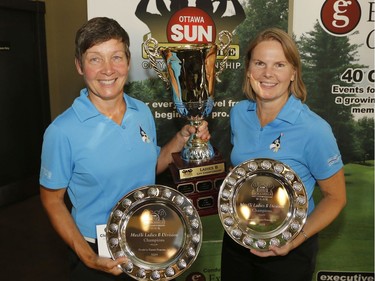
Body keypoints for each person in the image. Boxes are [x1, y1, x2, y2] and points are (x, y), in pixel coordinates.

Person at [39, 17, 210, 281]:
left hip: (150, 242)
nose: (108, 69)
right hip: (98, 253)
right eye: (95, 59)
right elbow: (52, 200)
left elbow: (151, 165)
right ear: (79, 66)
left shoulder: (141, 111)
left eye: (116, 57)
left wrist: (182, 137)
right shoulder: (61, 131)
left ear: (128, 63)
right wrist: (88, 257)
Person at [220, 27, 346, 281]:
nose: (268, 73)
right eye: (259, 63)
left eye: (279, 64)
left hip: (288, 250)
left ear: (293, 73)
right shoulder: (239, 114)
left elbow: (335, 198)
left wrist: (295, 240)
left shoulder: (314, 129)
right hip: (237, 241)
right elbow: (242, 170)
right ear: (248, 70)